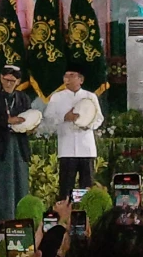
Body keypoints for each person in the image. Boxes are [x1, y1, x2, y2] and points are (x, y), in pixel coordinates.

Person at [44, 62, 104, 200]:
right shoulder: (57, 97)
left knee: (86, 187)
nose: (67, 79)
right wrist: (65, 117)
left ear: (80, 79)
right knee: (66, 186)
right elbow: (48, 118)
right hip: (67, 148)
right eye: (66, 76)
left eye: (72, 76)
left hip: (86, 148)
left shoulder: (90, 97)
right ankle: (66, 214)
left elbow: (99, 118)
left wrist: (87, 124)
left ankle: (84, 213)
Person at [0, 65, 32, 220]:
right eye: (5, 79)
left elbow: (30, 118)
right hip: (1, 146)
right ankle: (2, 219)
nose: (8, 83)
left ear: (18, 81)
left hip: (19, 145)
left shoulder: (23, 98)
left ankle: (21, 218)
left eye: (12, 80)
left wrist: (31, 127)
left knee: (20, 181)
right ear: (0, 79)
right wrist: (7, 121)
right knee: (2, 183)